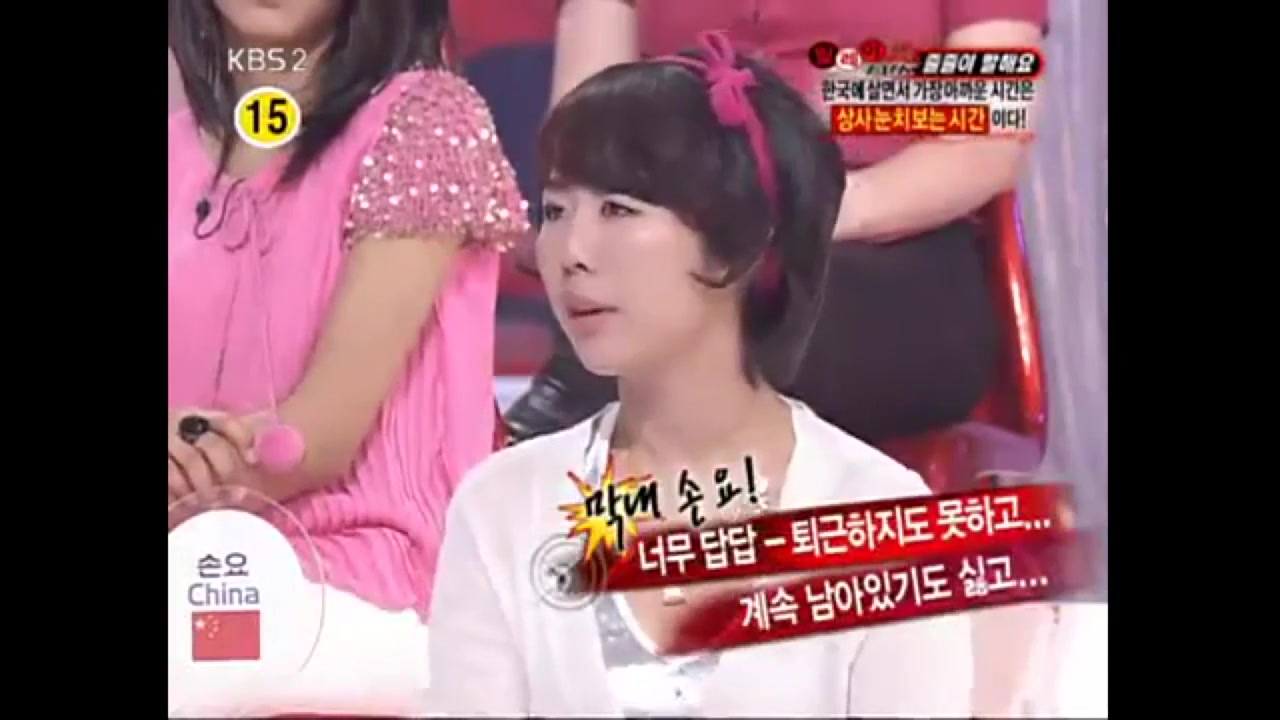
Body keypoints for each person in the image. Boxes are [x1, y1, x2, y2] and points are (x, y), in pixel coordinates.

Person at [429, 32, 972, 716]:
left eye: (619, 210)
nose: (571, 251)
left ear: (739, 243)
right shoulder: (502, 505)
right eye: (557, 211)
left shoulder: (882, 521)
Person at [166, 0, 527, 715]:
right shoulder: (176, 147)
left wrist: (189, 462)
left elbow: (315, 439)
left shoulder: (424, 120)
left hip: (359, 582)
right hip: (198, 568)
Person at [504, 0, 1048, 444]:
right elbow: (583, 137)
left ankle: (584, 408)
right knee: (651, 278)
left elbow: (990, 134)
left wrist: (814, 202)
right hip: (682, 240)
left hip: (887, 256)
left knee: (731, 309)